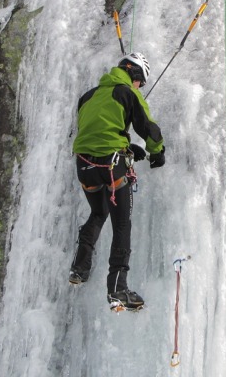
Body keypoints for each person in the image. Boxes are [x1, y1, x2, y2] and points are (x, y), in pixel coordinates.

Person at [69, 51, 165, 309]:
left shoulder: (87, 97)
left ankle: (79, 269)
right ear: (134, 74)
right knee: (121, 223)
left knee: (98, 212)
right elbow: (149, 128)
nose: (139, 87)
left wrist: (129, 147)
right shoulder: (127, 92)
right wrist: (157, 153)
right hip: (112, 166)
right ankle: (117, 290)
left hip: (85, 166)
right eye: (140, 82)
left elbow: (98, 131)